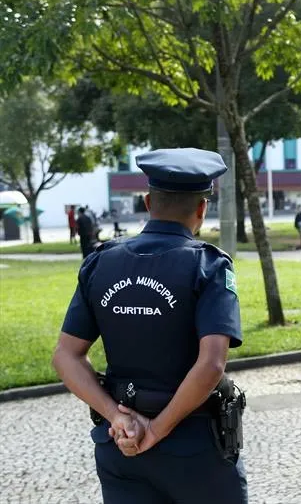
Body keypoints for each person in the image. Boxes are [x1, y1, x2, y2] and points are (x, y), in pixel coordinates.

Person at [51, 148, 248, 504]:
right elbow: (211, 364)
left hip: (120, 447)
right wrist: (157, 430)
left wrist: (117, 418)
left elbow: (66, 355)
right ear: (202, 210)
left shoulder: (101, 263)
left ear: (147, 202)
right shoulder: (209, 267)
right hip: (195, 448)